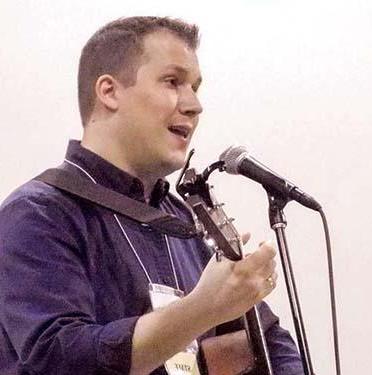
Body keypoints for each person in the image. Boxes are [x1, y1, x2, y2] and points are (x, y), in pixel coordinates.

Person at [0, 16, 303, 374]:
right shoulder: (38, 214)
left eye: (195, 87)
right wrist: (201, 309)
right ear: (109, 92)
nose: (194, 105)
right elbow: (59, 359)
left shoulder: (184, 219)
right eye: (173, 82)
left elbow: (270, 342)